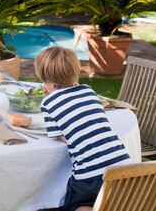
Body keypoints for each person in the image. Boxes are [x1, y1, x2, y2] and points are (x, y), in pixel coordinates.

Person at [35, 47, 131, 211]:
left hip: (89, 175)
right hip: (123, 165)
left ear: (50, 83)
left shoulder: (48, 103)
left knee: (76, 205)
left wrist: (48, 98)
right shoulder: (89, 91)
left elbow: (61, 137)